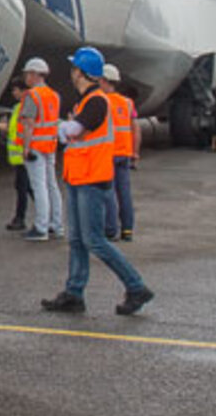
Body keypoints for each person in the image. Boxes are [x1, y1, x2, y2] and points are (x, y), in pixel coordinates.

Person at [42, 47, 154, 316]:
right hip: (80, 176)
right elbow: (72, 133)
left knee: (94, 241)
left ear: (81, 72)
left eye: (73, 69)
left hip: (91, 178)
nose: (71, 73)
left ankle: (136, 286)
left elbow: (73, 130)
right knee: (79, 240)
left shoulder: (96, 102)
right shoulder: (86, 102)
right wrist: (66, 129)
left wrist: (62, 127)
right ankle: (74, 293)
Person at [17, 57, 63, 241]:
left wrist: (26, 148)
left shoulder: (32, 96)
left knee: (39, 187)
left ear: (35, 74)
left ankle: (41, 228)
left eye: (27, 73)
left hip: (35, 146)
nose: (26, 77)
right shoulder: (54, 95)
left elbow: (29, 123)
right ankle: (57, 225)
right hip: (50, 145)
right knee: (52, 185)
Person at [0, 78, 31, 231]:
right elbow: (10, 128)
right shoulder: (18, 108)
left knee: (23, 188)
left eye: (15, 90)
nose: (13, 93)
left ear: (23, 91)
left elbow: (27, 129)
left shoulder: (26, 108)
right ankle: (47, 217)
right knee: (28, 188)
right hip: (19, 157)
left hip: (23, 156)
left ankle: (20, 218)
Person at [100, 63, 138, 242]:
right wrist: (135, 153)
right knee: (124, 192)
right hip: (124, 153)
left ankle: (110, 229)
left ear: (106, 81)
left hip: (108, 153)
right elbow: (135, 129)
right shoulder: (128, 103)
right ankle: (127, 230)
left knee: (108, 192)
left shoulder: (102, 101)